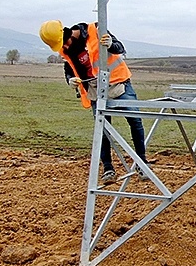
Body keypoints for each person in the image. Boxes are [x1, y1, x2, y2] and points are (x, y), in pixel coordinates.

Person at [39, 20, 149, 186]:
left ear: (67, 33)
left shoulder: (95, 30)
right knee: (102, 128)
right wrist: (70, 80)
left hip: (118, 83)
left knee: (135, 120)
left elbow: (120, 48)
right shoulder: (65, 48)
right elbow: (68, 69)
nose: (65, 46)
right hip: (95, 90)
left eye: (64, 42)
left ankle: (142, 163)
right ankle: (108, 168)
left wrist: (111, 44)